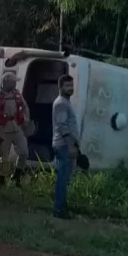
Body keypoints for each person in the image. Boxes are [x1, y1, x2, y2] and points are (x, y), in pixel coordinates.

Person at [0, 71, 30, 188]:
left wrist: (26, 120)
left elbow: (25, 107)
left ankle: (17, 175)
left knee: (24, 152)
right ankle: (2, 180)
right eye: (13, 82)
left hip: (16, 127)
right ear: (7, 83)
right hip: (3, 129)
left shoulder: (17, 94)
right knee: (4, 157)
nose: (15, 84)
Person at [52, 74, 79, 219]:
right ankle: (58, 208)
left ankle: (61, 204)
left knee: (64, 176)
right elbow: (62, 126)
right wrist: (71, 146)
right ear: (60, 87)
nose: (71, 88)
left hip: (65, 144)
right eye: (67, 86)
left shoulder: (65, 102)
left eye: (72, 85)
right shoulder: (61, 103)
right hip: (63, 145)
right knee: (62, 177)